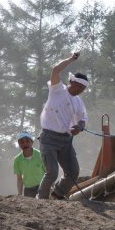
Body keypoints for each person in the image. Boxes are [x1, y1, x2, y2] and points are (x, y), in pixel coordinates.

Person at [37, 52, 89, 199]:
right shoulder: (57, 90)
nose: (79, 90)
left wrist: (80, 126)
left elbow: (82, 118)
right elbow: (55, 70)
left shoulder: (78, 101)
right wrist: (71, 59)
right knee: (52, 172)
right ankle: (41, 200)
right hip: (49, 138)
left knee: (73, 172)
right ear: (71, 82)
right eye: (78, 86)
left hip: (65, 140)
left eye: (82, 89)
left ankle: (58, 194)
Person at [13, 131, 45, 198]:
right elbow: (19, 179)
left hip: (42, 188)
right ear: (19, 144)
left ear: (32, 142)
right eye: (21, 142)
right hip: (28, 191)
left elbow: (48, 173)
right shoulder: (17, 160)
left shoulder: (41, 155)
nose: (25, 144)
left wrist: (51, 186)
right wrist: (19, 194)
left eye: (27, 141)